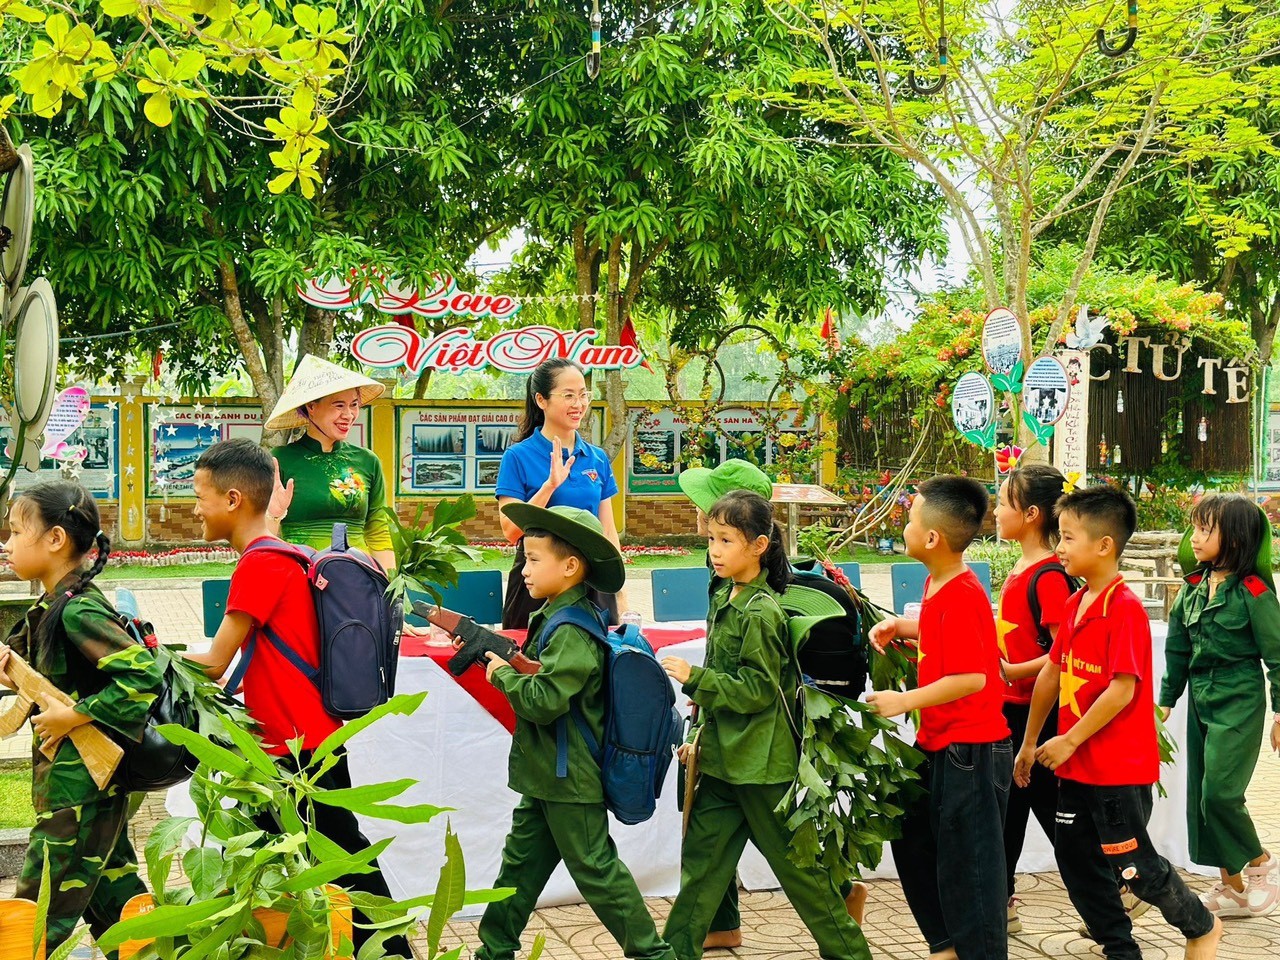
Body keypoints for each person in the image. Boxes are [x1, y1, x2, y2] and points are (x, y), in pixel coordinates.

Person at [185, 439, 411, 959]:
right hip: (300, 739)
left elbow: (216, 663)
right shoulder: (279, 552)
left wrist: (136, 657)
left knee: (342, 858)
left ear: (234, 499)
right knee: (286, 857)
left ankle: (393, 950)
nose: (194, 508)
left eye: (200, 495)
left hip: (296, 747)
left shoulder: (260, 563)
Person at [661, 491, 871, 960]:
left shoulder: (760, 611)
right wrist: (695, 736)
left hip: (761, 765)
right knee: (699, 870)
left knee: (803, 875)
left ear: (758, 545)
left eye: (726, 540)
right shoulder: (723, 593)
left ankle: (851, 954)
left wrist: (694, 677)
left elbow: (756, 690)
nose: (714, 550)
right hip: (720, 758)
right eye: (711, 539)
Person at [1014, 485, 1222, 960]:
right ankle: (1120, 950)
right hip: (1074, 767)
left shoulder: (1123, 608)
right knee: (1075, 862)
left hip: (1117, 771)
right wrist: (1030, 742)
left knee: (1134, 867)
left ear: (1104, 545)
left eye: (1067, 538)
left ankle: (1202, 926)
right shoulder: (1075, 603)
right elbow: (1050, 673)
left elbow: (1121, 689)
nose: (1059, 548)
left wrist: (1068, 738)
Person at [475, 502, 675, 960]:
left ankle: (653, 954)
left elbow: (543, 702)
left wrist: (501, 673)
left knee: (597, 871)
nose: (524, 570)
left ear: (570, 566)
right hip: (547, 775)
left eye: (533, 559)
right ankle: (492, 950)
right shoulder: (554, 616)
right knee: (520, 868)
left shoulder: (573, 630)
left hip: (570, 779)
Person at [0, 481, 163, 957]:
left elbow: (141, 679)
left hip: (78, 795)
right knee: (119, 907)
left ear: (54, 539)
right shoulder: (53, 607)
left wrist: (73, 715)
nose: (6, 543)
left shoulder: (78, 610)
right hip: (83, 788)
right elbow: (59, 676)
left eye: (14, 532)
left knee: (32, 917)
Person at [867, 475, 1013, 960]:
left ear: (932, 538)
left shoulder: (964, 593)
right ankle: (946, 947)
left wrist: (903, 702)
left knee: (970, 874)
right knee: (912, 843)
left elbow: (972, 677)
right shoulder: (938, 582)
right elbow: (940, 632)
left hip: (971, 752)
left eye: (910, 520)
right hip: (941, 746)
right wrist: (901, 625)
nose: (904, 526)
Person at [1160, 493, 1280, 917]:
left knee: (1221, 794)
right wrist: (1166, 701)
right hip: (1199, 701)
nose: (1195, 537)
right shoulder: (1192, 589)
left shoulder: (1254, 592)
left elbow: (1277, 656)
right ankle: (1230, 888)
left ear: (1235, 538)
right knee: (1201, 799)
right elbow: (1177, 649)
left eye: (1206, 530)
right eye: (1195, 527)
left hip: (1239, 699)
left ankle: (1262, 864)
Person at [993, 464, 1074, 934]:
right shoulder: (1025, 568)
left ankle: (1116, 888)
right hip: (1013, 709)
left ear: (1031, 514)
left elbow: (1061, 658)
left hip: (1035, 716)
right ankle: (1000, 901)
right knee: (1007, 813)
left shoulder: (1047, 576)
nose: (996, 511)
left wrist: (1005, 669)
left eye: (1004, 502)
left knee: (1051, 811)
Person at [496, 357, 627, 628]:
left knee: (595, 661)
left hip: (592, 579)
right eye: (568, 395)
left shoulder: (597, 458)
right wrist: (550, 486)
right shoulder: (518, 456)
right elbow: (510, 531)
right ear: (541, 400)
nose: (578, 404)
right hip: (536, 581)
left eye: (583, 395)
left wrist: (620, 592)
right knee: (531, 661)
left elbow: (608, 531)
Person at [263, 354, 395, 572]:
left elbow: (378, 529)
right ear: (312, 407)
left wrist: (391, 589)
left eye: (354, 405)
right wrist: (274, 514)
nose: (349, 414)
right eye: (339, 405)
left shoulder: (367, 461)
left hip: (357, 578)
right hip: (300, 575)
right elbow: (263, 539)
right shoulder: (280, 460)